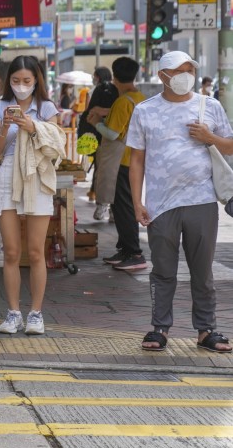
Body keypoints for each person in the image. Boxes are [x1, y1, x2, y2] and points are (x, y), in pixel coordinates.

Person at [128, 51, 233, 353]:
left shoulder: (208, 106)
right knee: (162, 269)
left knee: (203, 270)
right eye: (178, 71)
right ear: (162, 76)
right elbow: (136, 160)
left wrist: (209, 136)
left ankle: (207, 329)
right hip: (161, 204)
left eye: (189, 70)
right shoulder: (145, 111)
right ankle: (159, 328)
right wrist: (138, 201)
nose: (185, 75)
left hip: (201, 201)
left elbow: (230, 146)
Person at [0, 56, 62, 336]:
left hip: (37, 175)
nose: (21, 86)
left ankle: (35, 313)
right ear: (8, 81)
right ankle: (13, 312)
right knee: (10, 251)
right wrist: (7, 125)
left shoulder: (46, 107)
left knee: (35, 252)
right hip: (8, 173)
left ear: (37, 81)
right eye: (16, 81)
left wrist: (32, 126)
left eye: (27, 81)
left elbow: (56, 143)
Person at [85, 58, 146, 271]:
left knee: (124, 208)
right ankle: (125, 249)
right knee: (122, 206)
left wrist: (95, 122)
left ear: (115, 76)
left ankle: (134, 252)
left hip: (122, 161)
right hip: (136, 160)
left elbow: (111, 133)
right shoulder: (139, 99)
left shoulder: (122, 103)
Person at [78, 67, 119, 211]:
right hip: (115, 138)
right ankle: (112, 208)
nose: (93, 78)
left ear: (98, 77)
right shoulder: (116, 91)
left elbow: (89, 111)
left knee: (100, 170)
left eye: (94, 75)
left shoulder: (96, 90)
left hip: (98, 134)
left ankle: (101, 204)